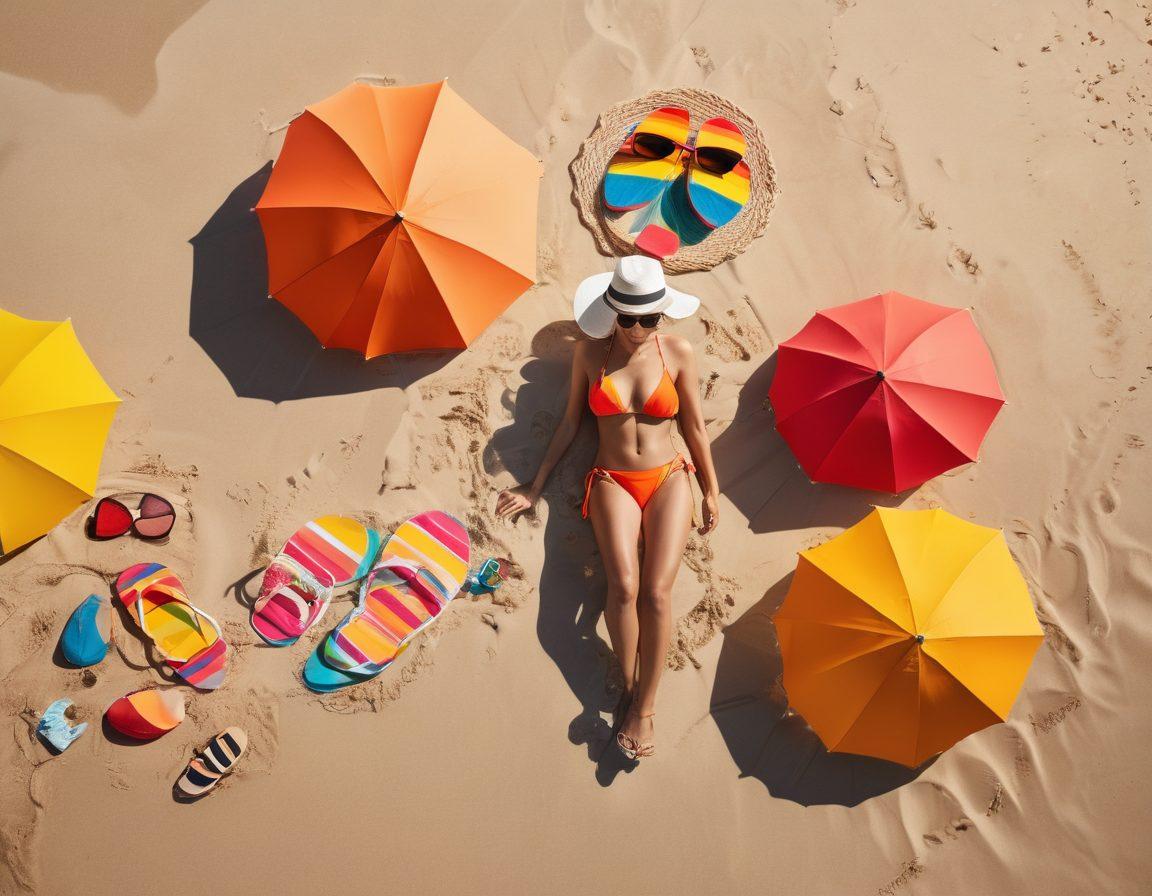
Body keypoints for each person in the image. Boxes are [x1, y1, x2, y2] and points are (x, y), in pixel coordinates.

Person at [496, 256, 720, 760]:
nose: (640, 329)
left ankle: (644, 708)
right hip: (612, 480)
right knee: (623, 586)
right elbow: (571, 423)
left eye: (650, 319)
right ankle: (630, 681)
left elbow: (695, 428)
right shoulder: (588, 355)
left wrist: (711, 488)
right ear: (612, 311)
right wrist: (534, 488)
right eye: (629, 319)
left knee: (657, 594)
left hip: (669, 478)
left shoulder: (678, 351)